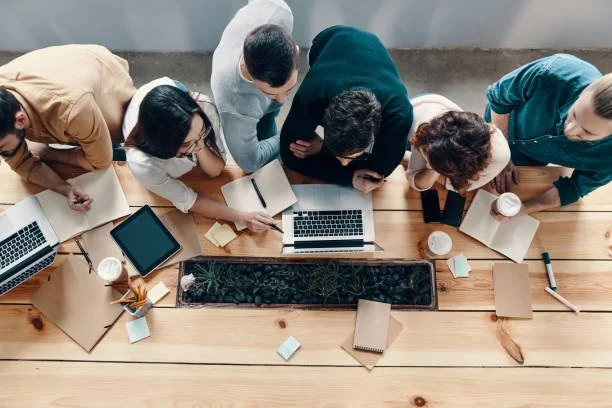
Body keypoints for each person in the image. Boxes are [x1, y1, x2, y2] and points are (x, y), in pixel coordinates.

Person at [123, 77, 276, 232]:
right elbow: (189, 200)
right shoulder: (143, 164)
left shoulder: (203, 106)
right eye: (188, 143)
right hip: (147, 117)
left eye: (203, 131)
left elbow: (215, 170)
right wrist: (242, 217)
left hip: (169, 89)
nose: (201, 144)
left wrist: (198, 141)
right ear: (166, 146)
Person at [0, 44, 135, 212]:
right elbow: (20, 162)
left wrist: (50, 153)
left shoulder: (71, 110)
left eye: (2, 148)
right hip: (66, 71)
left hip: (108, 82)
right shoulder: (7, 109)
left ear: (20, 120)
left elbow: (101, 161)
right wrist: (65, 188)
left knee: (119, 143)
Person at [280, 25, 413, 194]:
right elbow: (288, 153)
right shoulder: (312, 95)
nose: (343, 164)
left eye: (352, 156)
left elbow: (380, 172)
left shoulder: (399, 114)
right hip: (331, 40)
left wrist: (323, 155)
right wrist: (348, 176)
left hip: (372, 48)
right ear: (325, 119)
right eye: (337, 154)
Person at [486, 54, 612, 219]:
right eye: (574, 114)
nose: (570, 130)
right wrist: (503, 152)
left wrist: (527, 207)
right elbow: (499, 99)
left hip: (534, 156)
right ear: (586, 90)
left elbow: (575, 187)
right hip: (498, 125)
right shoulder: (553, 72)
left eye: (587, 132)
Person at [211, 0, 299, 173]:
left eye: (289, 89)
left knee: (271, 118)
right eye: (271, 94)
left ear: (296, 50)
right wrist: (293, 134)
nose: (282, 101)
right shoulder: (235, 107)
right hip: (240, 104)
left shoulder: (279, 11)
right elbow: (250, 162)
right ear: (246, 70)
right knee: (261, 165)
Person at [405, 94, 510, 194]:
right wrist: (432, 168)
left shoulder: (500, 152)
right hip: (411, 112)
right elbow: (416, 181)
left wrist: (433, 167)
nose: (422, 152)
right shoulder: (425, 133)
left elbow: (463, 186)